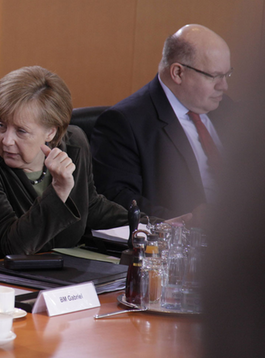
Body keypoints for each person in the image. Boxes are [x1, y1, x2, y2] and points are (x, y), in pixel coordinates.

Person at [0, 66, 128, 262]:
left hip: (66, 272)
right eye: (1, 125)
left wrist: (151, 225)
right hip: (0, 280)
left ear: (51, 132)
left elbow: (90, 205)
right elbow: (12, 245)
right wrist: (58, 192)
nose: (6, 140)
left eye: (21, 131)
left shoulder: (74, 144)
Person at [91, 24, 233, 221]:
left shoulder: (229, 111)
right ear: (178, 73)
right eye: (215, 76)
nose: (224, 86)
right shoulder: (125, 123)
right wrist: (187, 220)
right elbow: (116, 199)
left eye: (227, 74)